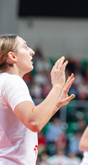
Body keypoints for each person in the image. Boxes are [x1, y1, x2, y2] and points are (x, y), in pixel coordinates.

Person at [0, 34, 75, 164]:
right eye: (25, 47)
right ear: (12, 56)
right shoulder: (12, 81)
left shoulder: (4, 80)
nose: (32, 51)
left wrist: (55, 105)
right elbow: (34, 122)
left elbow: (26, 122)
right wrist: (57, 86)